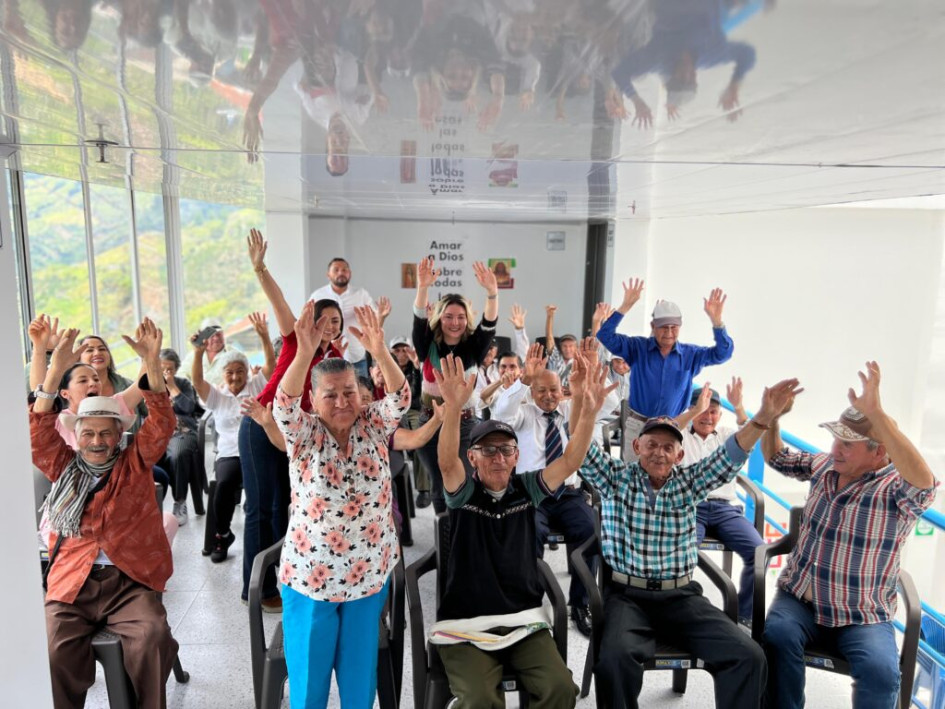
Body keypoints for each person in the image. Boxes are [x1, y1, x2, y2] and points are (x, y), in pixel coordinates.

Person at [579, 376, 803, 708]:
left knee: (748, 656)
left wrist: (762, 418)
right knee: (613, 660)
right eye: (652, 444)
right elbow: (580, 452)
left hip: (681, 597)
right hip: (628, 597)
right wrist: (585, 412)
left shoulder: (690, 482)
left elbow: (732, 453)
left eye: (668, 447)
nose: (659, 452)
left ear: (679, 453)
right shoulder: (616, 479)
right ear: (637, 447)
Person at [432, 351, 614, 708]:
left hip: (523, 619)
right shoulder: (464, 492)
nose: (498, 457)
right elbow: (444, 461)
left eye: (506, 450)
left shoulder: (527, 488)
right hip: (467, 622)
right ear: (474, 458)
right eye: (488, 451)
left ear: (517, 456)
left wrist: (587, 412)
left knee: (562, 689)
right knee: (482, 699)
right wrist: (453, 408)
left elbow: (571, 460)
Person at [760, 362, 938, 709]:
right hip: (800, 600)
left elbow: (925, 486)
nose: (836, 449)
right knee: (777, 638)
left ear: (879, 451)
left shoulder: (894, 490)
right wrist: (774, 418)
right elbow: (777, 457)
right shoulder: (826, 466)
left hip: (862, 614)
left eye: (848, 444)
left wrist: (880, 417)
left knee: (882, 672)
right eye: (836, 440)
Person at [31, 322, 178, 709]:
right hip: (72, 584)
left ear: (119, 434)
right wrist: (50, 365)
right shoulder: (62, 466)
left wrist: (150, 361)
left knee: (152, 638)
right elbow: (37, 430)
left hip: (129, 581)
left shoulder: (136, 463)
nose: (97, 442)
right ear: (77, 436)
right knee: (50, 650)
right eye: (89, 434)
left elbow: (163, 424)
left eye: (105, 433)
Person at [273, 303, 409, 709]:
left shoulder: (374, 422)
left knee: (357, 686)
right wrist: (303, 351)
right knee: (310, 689)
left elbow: (401, 397)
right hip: (311, 581)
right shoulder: (303, 433)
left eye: (349, 391)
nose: (342, 401)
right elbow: (283, 405)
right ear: (314, 400)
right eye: (330, 395)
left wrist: (380, 350)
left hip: (368, 576)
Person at [242, 228, 344, 611]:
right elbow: (279, 300)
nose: (330, 326)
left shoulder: (334, 358)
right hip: (260, 421)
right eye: (325, 319)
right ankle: (255, 589)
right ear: (312, 319)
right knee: (260, 506)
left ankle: (281, 579)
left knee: (283, 506)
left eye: (336, 321)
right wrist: (260, 268)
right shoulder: (293, 340)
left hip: (293, 436)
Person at [490, 339, 620, 637]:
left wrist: (589, 376)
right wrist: (523, 381)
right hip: (531, 494)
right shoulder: (523, 414)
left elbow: (610, 408)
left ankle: (580, 603)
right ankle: (530, 602)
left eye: (553, 390)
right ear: (532, 394)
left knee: (590, 531)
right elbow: (501, 413)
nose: (549, 396)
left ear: (562, 390)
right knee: (530, 533)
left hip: (569, 493)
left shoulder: (573, 407)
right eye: (541, 391)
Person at [596, 279, 733, 459]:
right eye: (663, 328)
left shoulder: (691, 354)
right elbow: (604, 335)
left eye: (673, 328)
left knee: (668, 482)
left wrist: (717, 322)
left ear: (680, 327)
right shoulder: (637, 347)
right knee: (632, 479)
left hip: (674, 428)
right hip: (638, 426)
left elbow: (723, 353)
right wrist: (625, 306)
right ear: (653, 327)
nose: (669, 333)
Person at [411, 255, 499, 513]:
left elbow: (490, 324)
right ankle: (444, 539)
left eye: (461, 317)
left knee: (461, 481)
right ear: (440, 318)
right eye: (449, 316)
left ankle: (461, 532)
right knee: (439, 483)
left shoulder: (473, 346)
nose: (455, 322)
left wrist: (492, 293)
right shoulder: (427, 344)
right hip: (430, 421)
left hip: (465, 422)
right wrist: (423, 286)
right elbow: (418, 318)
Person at [677, 379, 761, 625]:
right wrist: (691, 412)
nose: (708, 416)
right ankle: (684, 613)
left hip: (726, 509)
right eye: (703, 410)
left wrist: (739, 407)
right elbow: (664, 428)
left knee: (759, 553)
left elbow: (751, 438)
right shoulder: (679, 434)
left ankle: (744, 617)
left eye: (713, 412)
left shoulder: (726, 435)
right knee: (683, 553)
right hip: (691, 507)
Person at [191, 324, 272, 561]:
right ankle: (223, 534)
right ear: (222, 374)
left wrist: (265, 337)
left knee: (260, 490)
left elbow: (271, 366)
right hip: (228, 453)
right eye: (230, 372)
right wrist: (198, 352)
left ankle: (262, 539)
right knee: (225, 483)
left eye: (240, 371)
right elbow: (197, 381)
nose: (235, 377)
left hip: (256, 450)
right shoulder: (217, 395)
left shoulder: (256, 385)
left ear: (247, 371)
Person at [309, 257, 389, 379]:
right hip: (326, 358)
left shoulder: (361, 294)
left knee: (361, 394)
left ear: (350, 273)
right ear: (328, 275)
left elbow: (375, 326)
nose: (341, 273)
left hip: (357, 357)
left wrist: (382, 316)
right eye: (336, 270)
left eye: (345, 270)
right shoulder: (318, 295)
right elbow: (309, 325)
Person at [158, 348, 204, 526]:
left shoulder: (182, 384)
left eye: (169, 369)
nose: (165, 372)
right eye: (161, 368)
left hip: (181, 431)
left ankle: (180, 502)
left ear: (175, 369)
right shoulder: (148, 385)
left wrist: (172, 387)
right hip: (157, 432)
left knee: (178, 454)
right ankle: (151, 507)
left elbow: (189, 408)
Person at [179, 319, 239, 389]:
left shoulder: (234, 354)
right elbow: (181, 375)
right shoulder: (193, 355)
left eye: (218, 334)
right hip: (196, 397)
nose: (216, 338)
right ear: (203, 337)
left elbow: (244, 377)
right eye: (211, 335)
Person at [544, 304, 577, 389]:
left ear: (576, 348)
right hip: (553, 394)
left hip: (571, 397)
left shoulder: (580, 363)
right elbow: (550, 337)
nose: (568, 349)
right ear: (560, 348)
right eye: (565, 346)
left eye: (571, 346)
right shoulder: (555, 357)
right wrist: (550, 316)